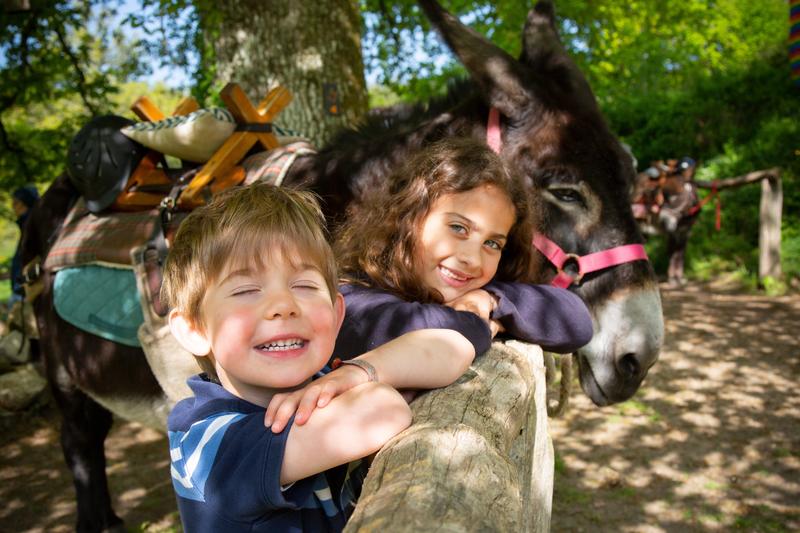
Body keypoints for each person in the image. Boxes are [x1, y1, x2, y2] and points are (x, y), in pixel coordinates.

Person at [161, 183, 475, 532]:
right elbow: (383, 412)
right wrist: (371, 383)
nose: (284, 305)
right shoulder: (208, 441)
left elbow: (454, 347)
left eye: (304, 286)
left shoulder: (328, 379)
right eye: (246, 290)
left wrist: (358, 371)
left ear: (337, 313)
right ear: (194, 329)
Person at [333, 137, 594, 364]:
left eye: (492, 243)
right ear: (408, 217)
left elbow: (577, 321)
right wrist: (482, 325)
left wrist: (490, 300)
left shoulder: (472, 291)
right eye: (458, 228)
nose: (472, 259)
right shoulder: (347, 298)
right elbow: (426, 334)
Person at [9, 185, 39, 304]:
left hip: (27, 292)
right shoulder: (26, 223)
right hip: (23, 289)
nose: (13, 206)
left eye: (16, 203)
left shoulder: (31, 225)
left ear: (24, 203)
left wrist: (24, 290)